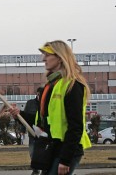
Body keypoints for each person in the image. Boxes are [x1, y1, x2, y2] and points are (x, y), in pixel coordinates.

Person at [9, 40, 91, 175]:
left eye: (47, 55)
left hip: (66, 150)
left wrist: (65, 160)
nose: (43, 59)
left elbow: (75, 126)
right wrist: (19, 115)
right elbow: (42, 121)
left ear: (59, 57)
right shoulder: (49, 86)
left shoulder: (72, 86)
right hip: (51, 147)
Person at [24, 87, 43, 175]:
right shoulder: (30, 103)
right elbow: (25, 117)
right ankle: (35, 169)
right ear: (37, 94)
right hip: (32, 132)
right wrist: (22, 129)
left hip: (43, 132)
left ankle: (44, 168)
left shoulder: (46, 103)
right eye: (39, 95)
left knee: (43, 151)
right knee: (32, 151)